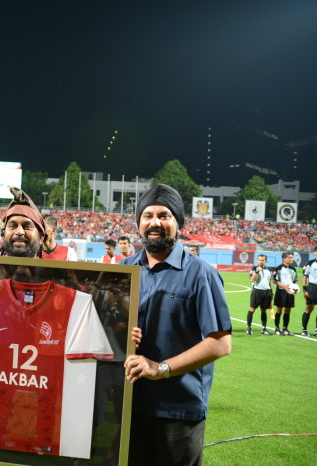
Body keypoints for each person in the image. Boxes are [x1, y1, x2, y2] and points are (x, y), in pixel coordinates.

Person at [122, 184, 232, 465]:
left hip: (178, 411)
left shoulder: (201, 274)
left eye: (164, 215)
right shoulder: (124, 270)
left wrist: (161, 368)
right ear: (138, 224)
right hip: (127, 406)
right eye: (147, 215)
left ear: (178, 224)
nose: (155, 222)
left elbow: (220, 343)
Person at [246, 254, 273, 336]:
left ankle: (264, 329)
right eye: (259, 260)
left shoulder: (269, 270)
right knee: (252, 309)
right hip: (257, 291)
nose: (261, 261)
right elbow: (252, 279)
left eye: (263, 260)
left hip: (266, 292)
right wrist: (257, 271)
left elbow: (269, 281)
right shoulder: (253, 269)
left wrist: (271, 292)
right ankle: (249, 328)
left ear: (266, 261)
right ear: (257, 261)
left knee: (264, 310)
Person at [272, 252, 298, 336]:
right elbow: (274, 280)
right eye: (289, 258)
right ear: (284, 259)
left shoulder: (293, 269)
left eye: (292, 258)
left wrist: (294, 288)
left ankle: (285, 328)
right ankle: (277, 328)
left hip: (290, 291)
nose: (291, 259)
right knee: (279, 310)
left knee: (288, 310)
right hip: (281, 291)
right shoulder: (278, 268)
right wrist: (284, 287)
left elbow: (295, 280)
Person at [301, 246, 317, 337]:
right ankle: (304, 329)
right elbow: (305, 276)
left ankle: (316, 330)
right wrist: (305, 289)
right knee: (309, 308)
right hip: (312, 287)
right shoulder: (310, 263)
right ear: (315, 252)